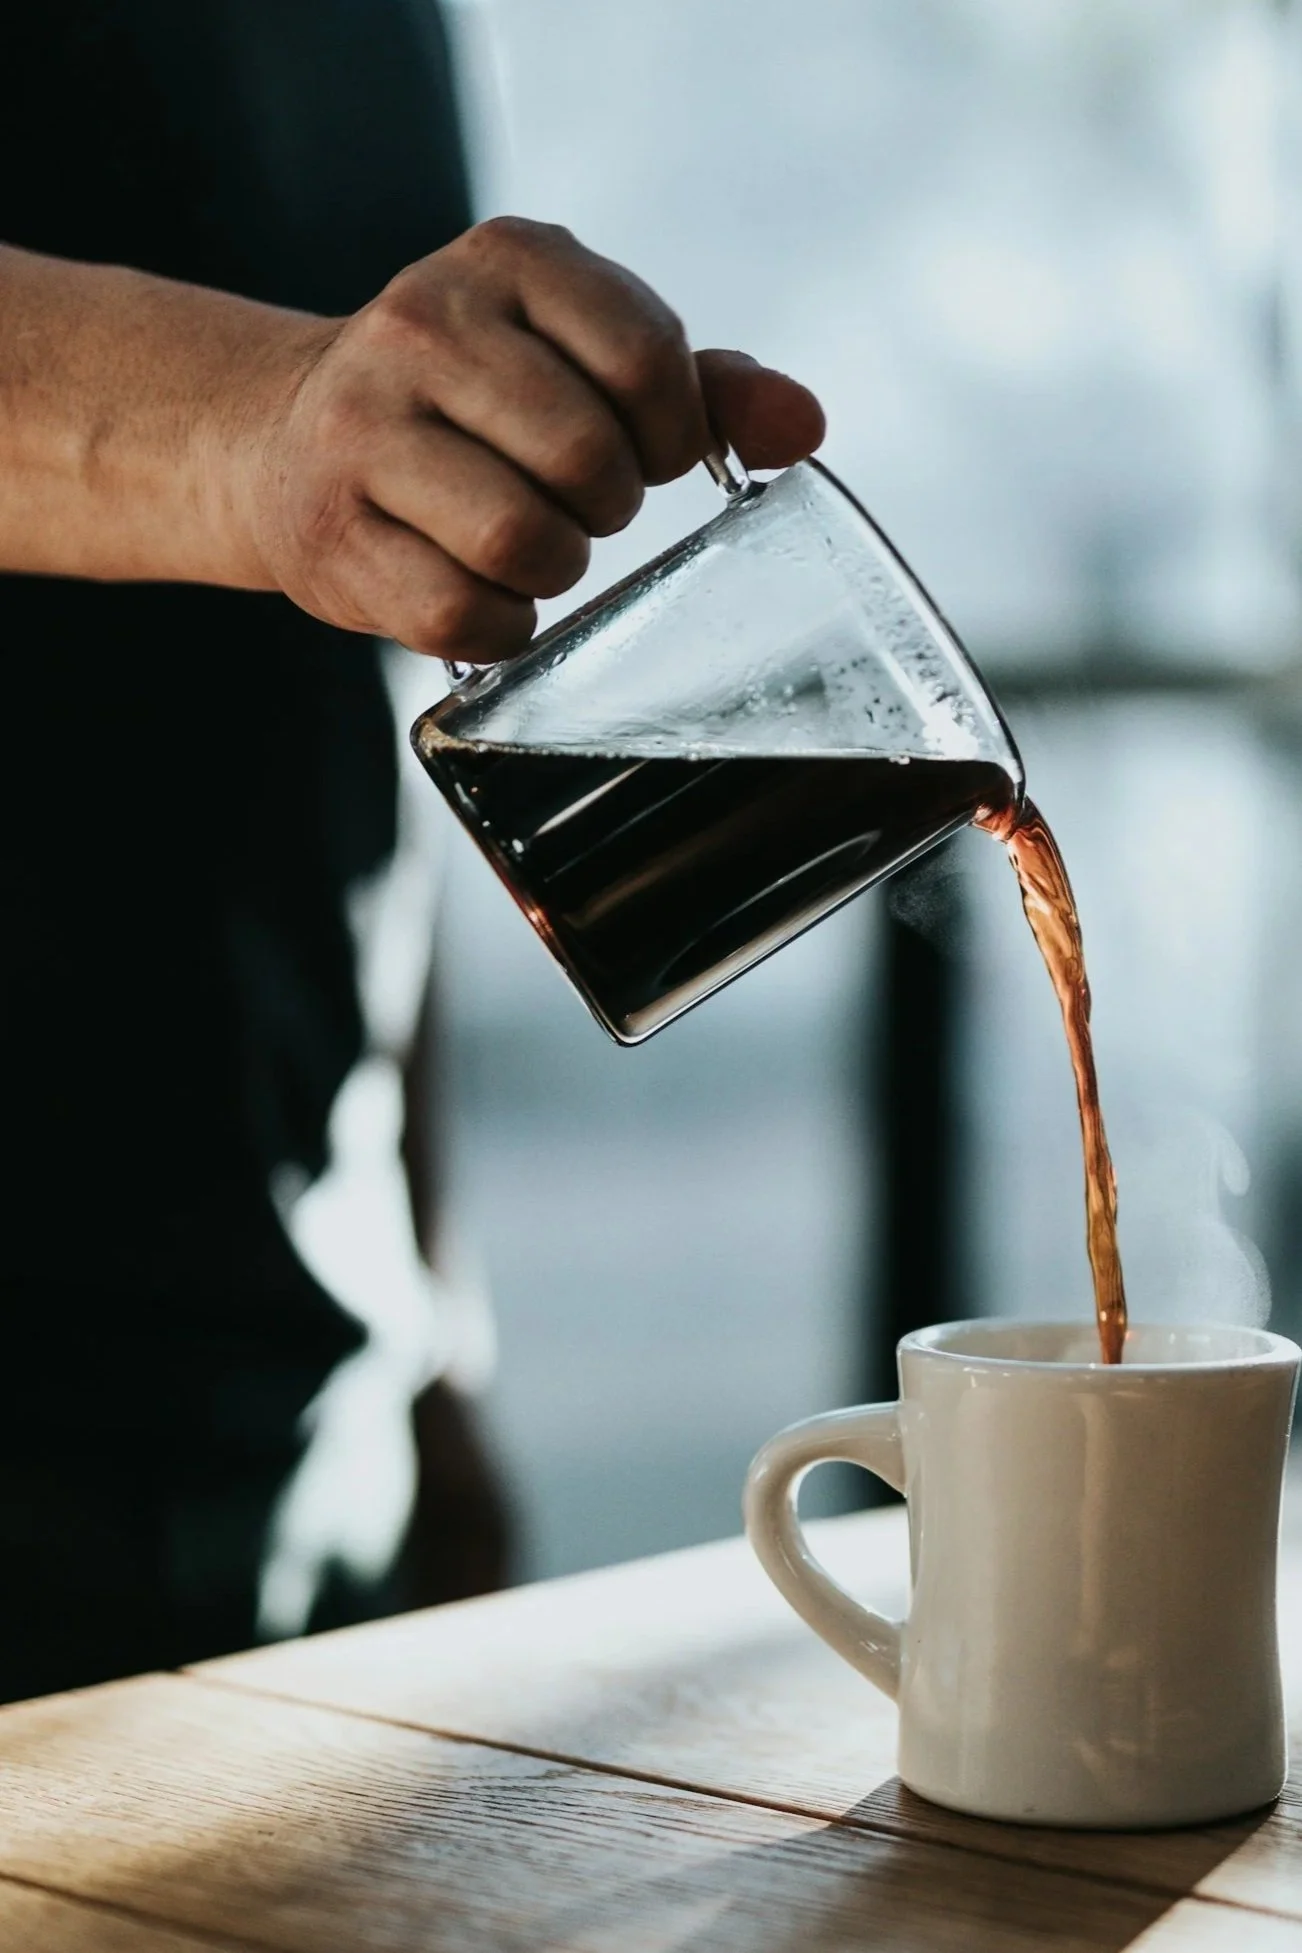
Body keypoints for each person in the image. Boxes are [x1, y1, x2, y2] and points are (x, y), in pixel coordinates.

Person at [0, 1, 825, 1700]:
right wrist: (253, 427)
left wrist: (439, 1327)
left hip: (308, 1400)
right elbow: (311, 455)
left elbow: (360, 651)